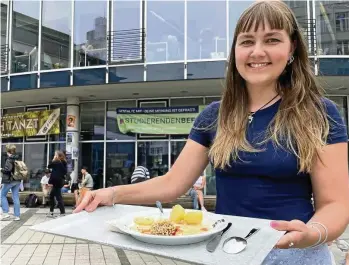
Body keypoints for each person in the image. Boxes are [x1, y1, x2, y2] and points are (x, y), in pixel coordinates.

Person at [74, 2, 349, 264]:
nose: (257, 51)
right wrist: (111, 193)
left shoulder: (319, 114)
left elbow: (335, 203)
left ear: (292, 49)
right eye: (247, 41)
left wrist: (313, 233)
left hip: (295, 257)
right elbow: (173, 183)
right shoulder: (214, 116)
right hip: (227, 252)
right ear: (235, 51)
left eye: (272, 40)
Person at [0, 145, 21, 221]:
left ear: (8, 151)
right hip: (18, 180)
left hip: (10, 180)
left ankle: (5, 213)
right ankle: (17, 216)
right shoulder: (18, 158)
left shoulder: (9, 159)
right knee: (15, 197)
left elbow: (8, 170)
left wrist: (1, 169)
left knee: (2, 195)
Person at [47, 150, 67, 217]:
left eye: (55, 155)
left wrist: (53, 159)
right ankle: (51, 211)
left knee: (58, 197)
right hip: (59, 181)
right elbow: (65, 172)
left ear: (58, 156)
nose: (54, 156)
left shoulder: (56, 162)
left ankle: (62, 212)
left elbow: (49, 166)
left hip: (56, 182)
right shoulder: (63, 162)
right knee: (52, 196)